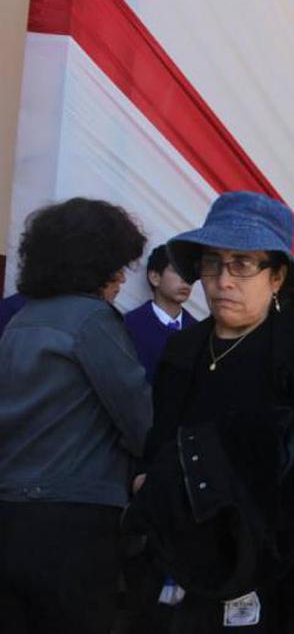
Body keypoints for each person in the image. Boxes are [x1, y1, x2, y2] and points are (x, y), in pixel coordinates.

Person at [126, 191, 294, 632]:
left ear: (276, 277)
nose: (222, 280)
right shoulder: (185, 349)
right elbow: (160, 446)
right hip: (194, 557)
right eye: (212, 263)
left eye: (242, 264)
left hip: (289, 558)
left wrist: (249, 506)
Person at [0, 197, 152, 634]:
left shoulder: (21, 320)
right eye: (116, 265)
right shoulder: (93, 320)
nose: (122, 277)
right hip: (73, 520)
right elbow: (139, 418)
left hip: (11, 511)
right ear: (94, 262)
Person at [124, 244, 198, 382]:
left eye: (190, 272)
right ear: (155, 277)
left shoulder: (199, 331)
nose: (185, 280)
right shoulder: (130, 325)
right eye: (177, 271)